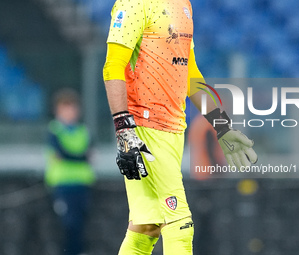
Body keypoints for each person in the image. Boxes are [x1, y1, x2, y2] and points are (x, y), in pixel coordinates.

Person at [102, 0, 257, 254]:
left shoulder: (183, 4)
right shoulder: (133, 3)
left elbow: (191, 74)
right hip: (144, 127)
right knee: (180, 223)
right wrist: (124, 129)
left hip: (173, 129)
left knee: (146, 226)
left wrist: (222, 126)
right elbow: (113, 65)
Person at [45, 88, 96, 255]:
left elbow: (88, 153)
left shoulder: (83, 131)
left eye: (72, 108)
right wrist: (81, 158)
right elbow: (62, 155)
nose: (70, 112)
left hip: (81, 185)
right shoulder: (54, 130)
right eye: (65, 108)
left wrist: (75, 158)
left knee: (81, 227)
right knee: (66, 225)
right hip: (62, 186)